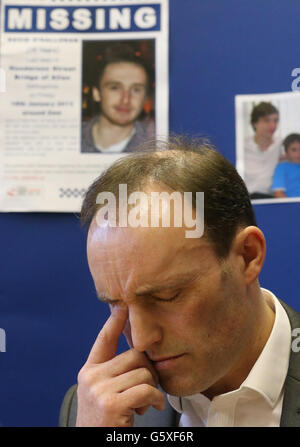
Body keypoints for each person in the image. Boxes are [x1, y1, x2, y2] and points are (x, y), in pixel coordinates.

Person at [60, 137, 300, 427]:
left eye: (166, 297)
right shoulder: (96, 411)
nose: (141, 339)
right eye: (115, 304)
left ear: (248, 256)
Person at [81, 43, 154, 154]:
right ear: (96, 93)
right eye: (115, 88)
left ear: (145, 98)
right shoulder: (72, 139)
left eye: (136, 89)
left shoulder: (155, 145)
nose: (125, 100)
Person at [243, 102, 282, 199]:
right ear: (255, 123)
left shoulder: (282, 144)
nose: (273, 125)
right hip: (246, 199)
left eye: (276, 120)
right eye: (267, 120)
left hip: (271, 200)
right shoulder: (242, 145)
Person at [271, 133, 300, 198]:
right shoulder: (281, 168)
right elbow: (278, 192)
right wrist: (290, 207)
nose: (298, 153)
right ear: (286, 152)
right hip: (291, 204)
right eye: (294, 150)